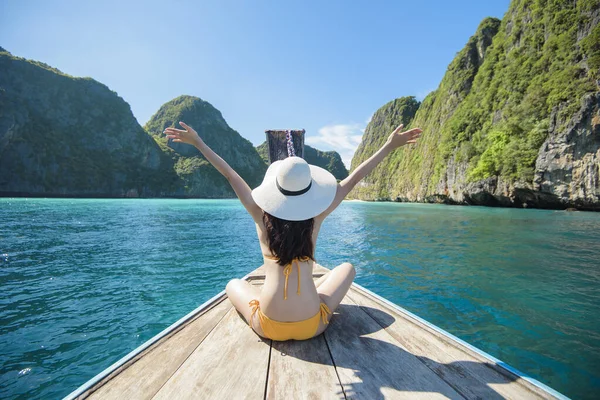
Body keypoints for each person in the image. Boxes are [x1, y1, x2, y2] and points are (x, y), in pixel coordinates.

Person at [164, 122, 422, 341]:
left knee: (234, 284)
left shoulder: (259, 215)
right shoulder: (316, 217)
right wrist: (389, 146)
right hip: (313, 326)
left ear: (275, 189)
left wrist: (198, 142)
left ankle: (300, 291)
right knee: (347, 268)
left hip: (267, 326)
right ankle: (310, 288)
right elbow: (352, 179)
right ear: (309, 191)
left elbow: (230, 175)